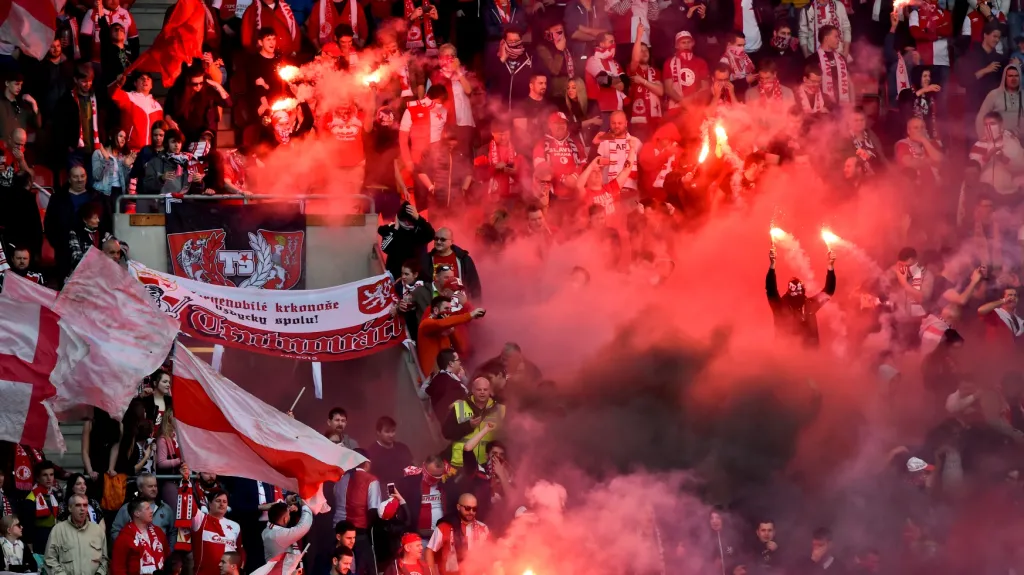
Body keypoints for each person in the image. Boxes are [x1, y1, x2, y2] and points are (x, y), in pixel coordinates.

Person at [766, 247, 837, 347]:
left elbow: (829, 291)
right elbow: (771, 290)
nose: (797, 295)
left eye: (799, 292)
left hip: (810, 357)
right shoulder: (781, 306)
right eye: (795, 292)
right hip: (785, 358)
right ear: (789, 292)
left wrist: (830, 266)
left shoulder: (809, 304)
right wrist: (772, 265)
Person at [442, 378, 505, 469]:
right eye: (479, 389)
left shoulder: (500, 409)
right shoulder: (460, 407)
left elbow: (506, 438)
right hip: (460, 464)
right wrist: (468, 426)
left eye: (485, 389)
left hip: (485, 465)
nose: (482, 392)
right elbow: (446, 433)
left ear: (490, 391)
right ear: (472, 390)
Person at [416, 296, 487, 376]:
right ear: (436, 310)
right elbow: (441, 323)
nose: (449, 313)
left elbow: (461, 349)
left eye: (450, 310)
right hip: (433, 378)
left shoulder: (445, 328)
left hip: (450, 375)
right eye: (446, 309)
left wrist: (452, 332)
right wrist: (470, 315)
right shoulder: (426, 324)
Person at [425, 493, 489, 575]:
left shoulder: (483, 528)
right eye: (467, 508)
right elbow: (429, 551)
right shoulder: (445, 527)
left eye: (474, 509)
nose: (471, 512)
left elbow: (489, 553)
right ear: (458, 507)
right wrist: (432, 573)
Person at [44, 493, 108, 575]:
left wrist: (100, 573)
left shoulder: (98, 530)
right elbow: (49, 559)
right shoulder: (58, 530)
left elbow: (105, 559)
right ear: (70, 508)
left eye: (85, 505)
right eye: (78, 505)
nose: (82, 509)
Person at [189, 477, 241, 575]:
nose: (222, 504)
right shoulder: (201, 519)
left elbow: (239, 552)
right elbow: (189, 503)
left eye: (224, 502)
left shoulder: (235, 526)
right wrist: (186, 480)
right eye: (218, 501)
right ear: (209, 503)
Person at [379, 202, 435, 282]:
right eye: (404, 220)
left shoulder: (419, 229)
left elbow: (430, 235)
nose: (407, 223)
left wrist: (419, 218)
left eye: (410, 220)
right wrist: (395, 229)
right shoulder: (391, 230)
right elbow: (385, 248)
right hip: (396, 276)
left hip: (417, 276)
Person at [111, 474, 174, 543]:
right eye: (150, 486)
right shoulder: (128, 508)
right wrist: (125, 548)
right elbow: (116, 530)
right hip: (134, 552)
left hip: (160, 552)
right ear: (140, 488)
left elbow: (173, 532)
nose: (154, 489)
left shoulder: (165, 509)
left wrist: (170, 552)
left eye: (155, 486)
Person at [111, 499, 168, 575]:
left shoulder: (158, 531)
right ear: (137, 513)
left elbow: (168, 557)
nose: (151, 511)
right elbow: (118, 568)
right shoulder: (124, 537)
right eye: (147, 509)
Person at [424, 228, 482, 300]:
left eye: (443, 239)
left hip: (459, 305)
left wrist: (476, 304)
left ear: (451, 242)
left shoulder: (464, 259)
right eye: (436, 239)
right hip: (434, 305)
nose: (438, 242)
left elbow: (474, 285)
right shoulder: (426, 260)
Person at [262, 499, 313, 575]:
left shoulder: (269, 530)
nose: (289, 516)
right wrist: (305, 507)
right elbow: (303, 527)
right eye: (288, 514)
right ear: (285, 519)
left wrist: (287, 507)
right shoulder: (277, 535)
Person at [19, 460, 59, 553]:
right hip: (39, 542)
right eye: (45, 475)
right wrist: (30, 550)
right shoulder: (31, 498)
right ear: (37, 478)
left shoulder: (54, 495)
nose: (49, 478)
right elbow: (27, 527)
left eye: (51, 474)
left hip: (54, 541)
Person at [364, 417, 414, 488]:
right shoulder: (371, 452)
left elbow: (412, 469)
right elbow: (368, 477)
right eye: (387, 432)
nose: (391, 435)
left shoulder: (403, 448)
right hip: (382, 492)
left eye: (393, 431)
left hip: (405, 491)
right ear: (378, 432)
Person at [975, 62, 1024, 136]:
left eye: (1016, 76)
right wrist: (982, 136)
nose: (1013, 79)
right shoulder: (994, 95)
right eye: (1010, 76)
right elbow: (981, 117)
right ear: (1005, 77)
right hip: (999, 141)